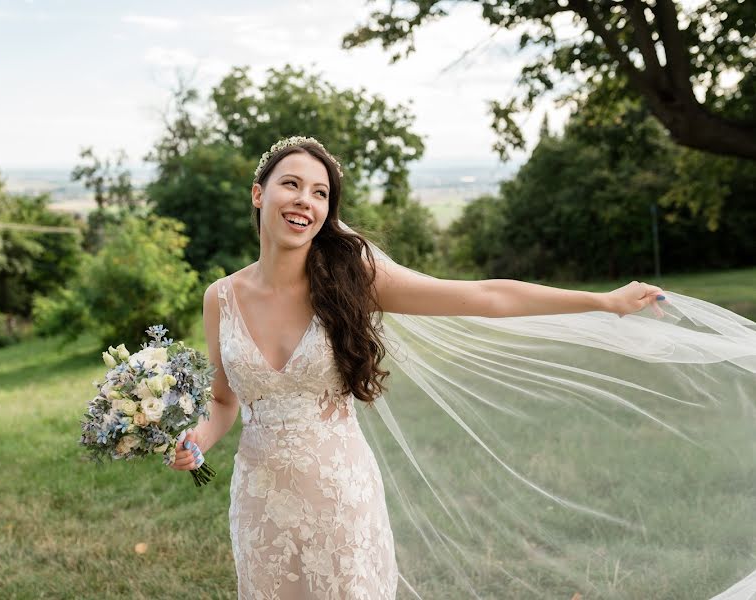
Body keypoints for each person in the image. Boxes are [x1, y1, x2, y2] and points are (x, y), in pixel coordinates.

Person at [168, 135, 690, 599]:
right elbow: (222, 401)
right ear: (259, 193)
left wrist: (602, 302)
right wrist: (197, 441)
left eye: (320, 192)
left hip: (339, 496)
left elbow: (485, 296)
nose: (306, 199)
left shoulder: (353, 280)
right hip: (259, 503)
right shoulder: (222, 298)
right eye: (292, 184)